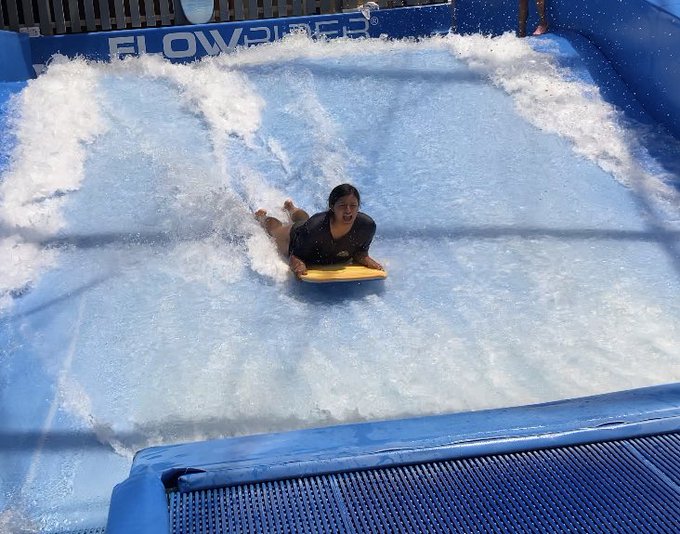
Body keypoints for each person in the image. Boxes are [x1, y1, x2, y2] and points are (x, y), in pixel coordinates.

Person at [255, 184, 384, 279]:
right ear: (332, 207)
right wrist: (298, 265)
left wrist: (365, 259)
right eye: (342, 205)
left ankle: (291, 207)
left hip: (308, 228)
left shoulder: (366, 226)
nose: (348, 210)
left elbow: (360, 252)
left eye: (353, 205)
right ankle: (262, 217)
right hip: (296, 236)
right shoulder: (316, 227)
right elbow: (296, 256)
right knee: (276, 230)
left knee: (304, 219)